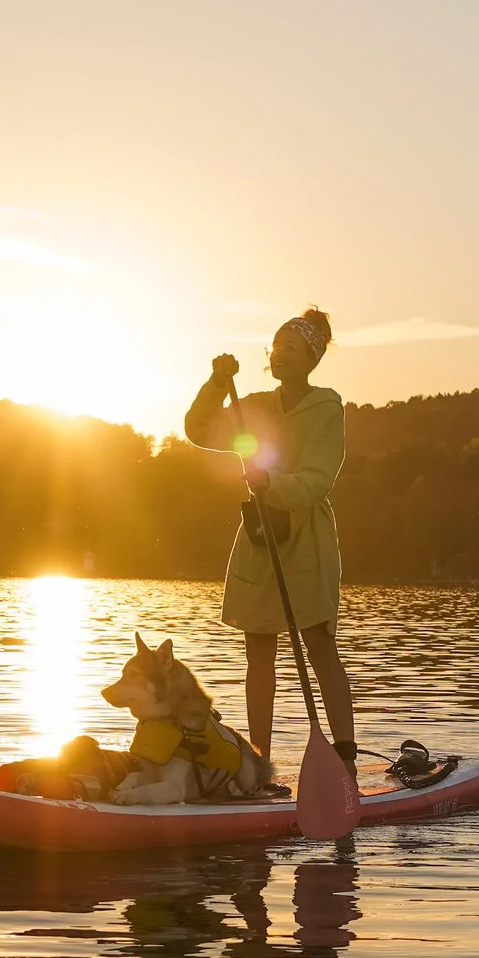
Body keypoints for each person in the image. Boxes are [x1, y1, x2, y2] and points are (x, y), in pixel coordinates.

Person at [182, 307, 356, 773]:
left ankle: (345, 757)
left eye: (292, 348)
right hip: (261, 534)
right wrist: (217, 384)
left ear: (311, 359)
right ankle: (259, 761)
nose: (280, 354)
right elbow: (199, 430)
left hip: (305, 538)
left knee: (320, 646)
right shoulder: (253, 405)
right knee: (259, 651)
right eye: (276, 346)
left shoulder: (327, 407)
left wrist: (271, 482)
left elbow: (318, 479)